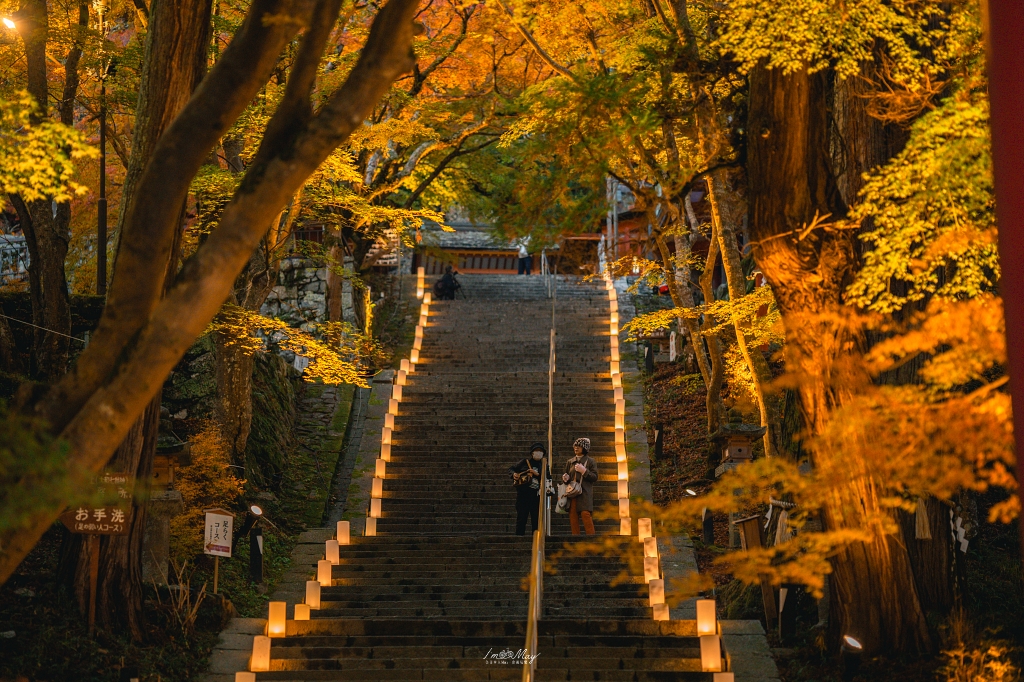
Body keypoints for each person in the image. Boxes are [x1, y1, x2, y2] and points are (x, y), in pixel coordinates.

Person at [508, 442, 549, 536]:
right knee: (521, 519)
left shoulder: (544, 466)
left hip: (537, 496)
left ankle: (536, 541)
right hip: (523, 495)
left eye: (540, 451)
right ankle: (519, 538)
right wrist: (514, 474)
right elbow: (511, 468)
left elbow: (548, 479)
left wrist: (537, 474)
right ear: (532, 453)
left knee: (536, 521)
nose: (538, 453)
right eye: (536, 451)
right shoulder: (524, 462)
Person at [562, 437, 598, 535]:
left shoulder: (590, 461)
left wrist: (585, 471)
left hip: (585, 492)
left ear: (585, 448)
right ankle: (575, 537)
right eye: (575, 446)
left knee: (585, 514)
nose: (576, 448)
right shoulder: (570, 462)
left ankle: (591, 537)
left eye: (579, 446)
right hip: (572, 492)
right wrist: (566, 479)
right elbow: (567, 475)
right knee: (573, 515)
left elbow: (594, 477)